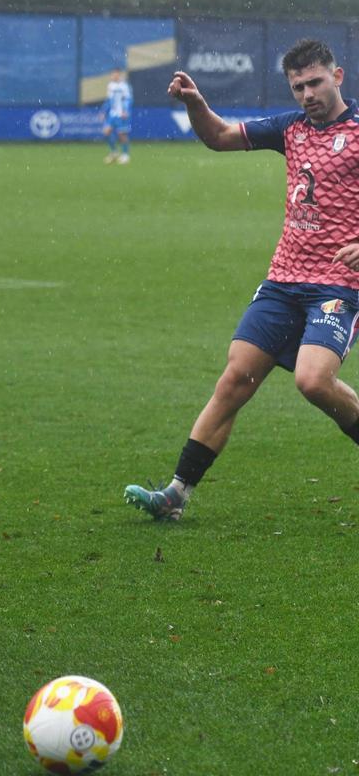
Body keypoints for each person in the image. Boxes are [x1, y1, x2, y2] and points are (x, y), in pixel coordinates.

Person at [125, 39, 359, 520]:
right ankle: (175, 494)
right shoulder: (290, 128)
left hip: (338, 284)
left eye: (315, 82)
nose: (307, 93)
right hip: (283, 281)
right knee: (235, 379)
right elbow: (218, 137)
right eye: (298, 86)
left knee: (314, 382)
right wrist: (197, 105)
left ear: (337, 77)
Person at [101, 67, 132, 164]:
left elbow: (128, 100)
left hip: (122, 114)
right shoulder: (110, 86)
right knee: (106, 132)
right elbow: (109, 100)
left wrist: (125, 111)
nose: (113, 76)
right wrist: (103, 111)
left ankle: (125, 155)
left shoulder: (124, 86)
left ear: (119, 75)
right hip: (112, 114)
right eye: (112, 74)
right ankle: (114, 152)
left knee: (122, 135)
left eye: (115, 74)